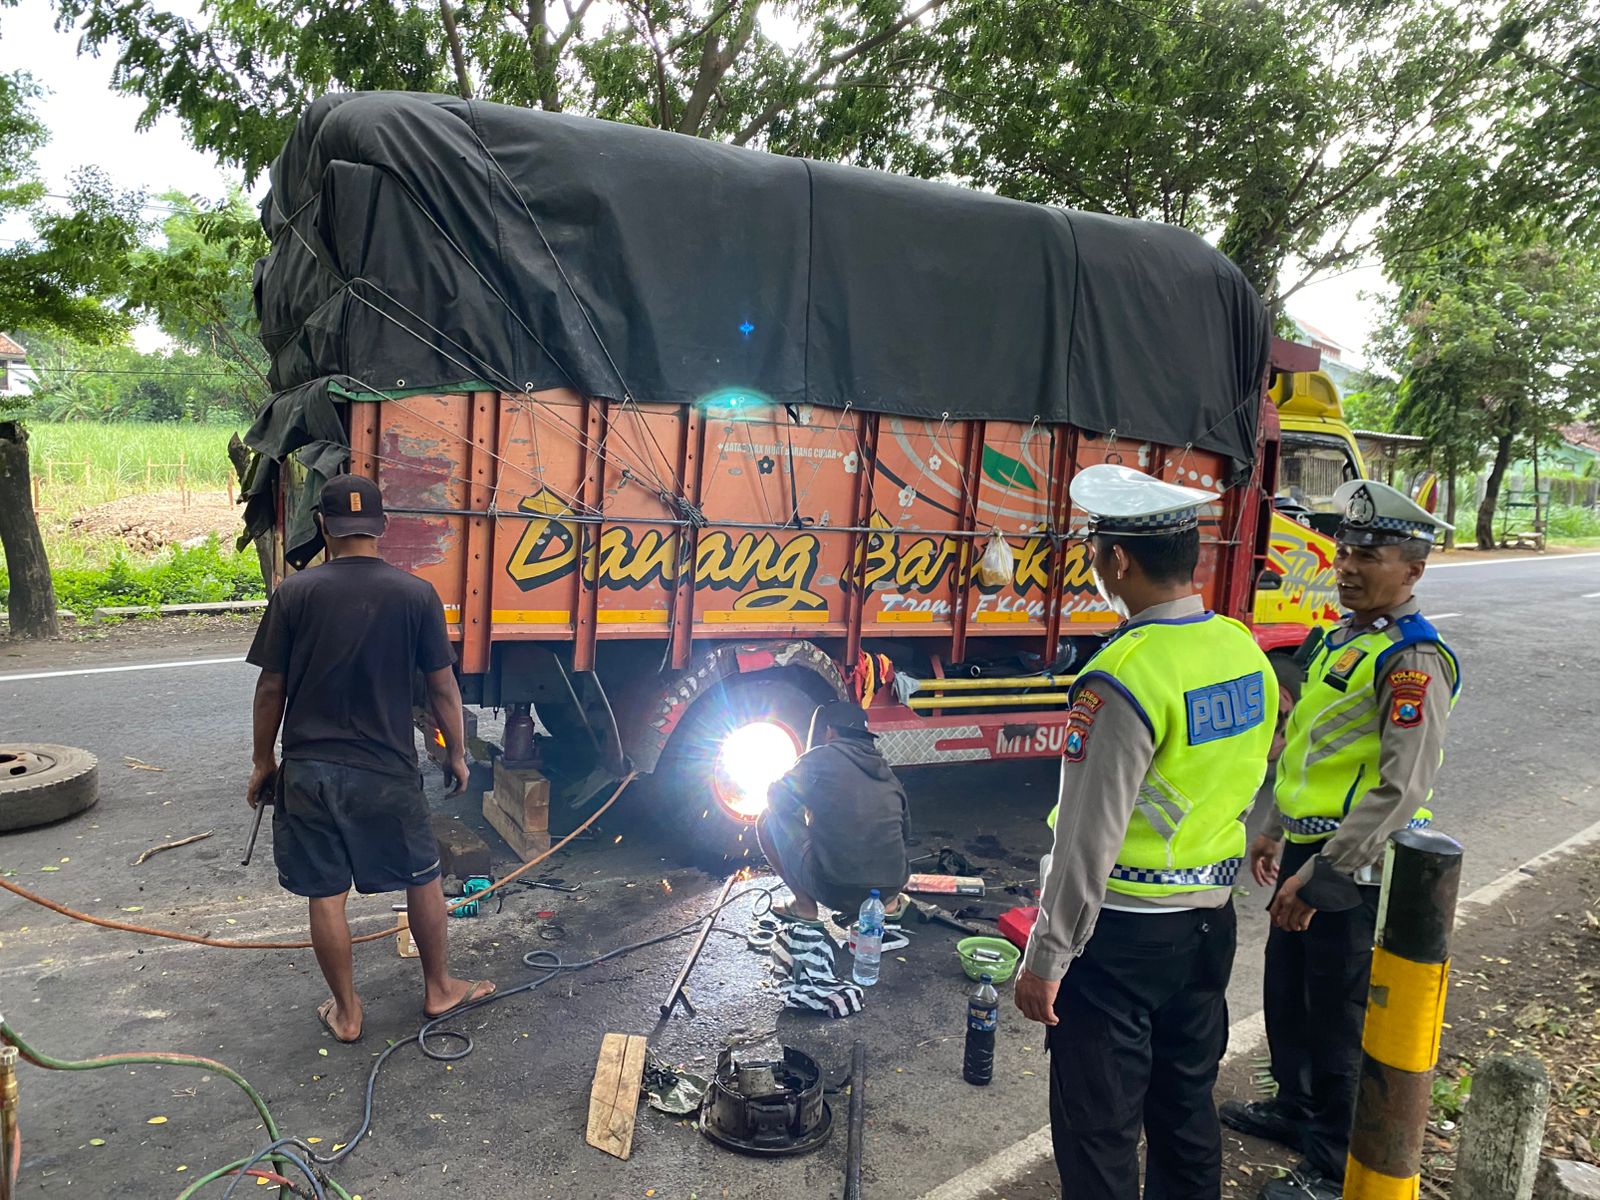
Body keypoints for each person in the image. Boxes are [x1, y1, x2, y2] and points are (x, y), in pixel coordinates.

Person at [1013, 463, 1278, 1200]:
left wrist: (1046, 957)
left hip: (1121, 944)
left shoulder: (1121, 675)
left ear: (1117, 560)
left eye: (1095, 549)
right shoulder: (1241, 649)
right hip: (1207, 930)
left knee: (1098, 1135)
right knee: (1185, 1111)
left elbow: (1086, 840)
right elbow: (1250, 774)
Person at [1221, 479, 1460, 1200]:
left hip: (1357, 868)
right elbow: (1303, 747)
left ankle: (1332, 1162)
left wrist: (1323, 872)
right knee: (1288, 992)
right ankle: (1295, 1111)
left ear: (1413, 568)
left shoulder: (1413, 660)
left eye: (1371, 554)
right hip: (1306, 846)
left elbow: (1401, 789)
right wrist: (1272, 829)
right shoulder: (1340, 637)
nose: (1348, 565)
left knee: (1338, 1011)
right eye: (1345, 549)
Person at [246, 475, 494, 1044]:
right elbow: (443, 689)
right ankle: (438, 989)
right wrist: (456, 754)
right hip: (385, 769)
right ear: (381, 527)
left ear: (324, 528)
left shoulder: (294, 593)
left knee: (325, 892)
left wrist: (264, 763)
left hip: (309, 769)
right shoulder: (415, 595)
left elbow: (269, 690)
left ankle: (348, 1012)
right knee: (423, 878)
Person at [757, 700, 911, 923]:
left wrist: (807, 811)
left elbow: (776, 799)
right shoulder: (888, 773)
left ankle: (804, 906)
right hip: (889, 888)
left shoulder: (818, 758)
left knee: (767, 819)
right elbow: (905, 834)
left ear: (829, 731)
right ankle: (888, 905)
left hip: (836, 891)